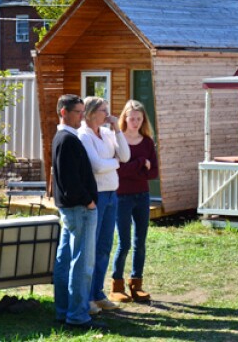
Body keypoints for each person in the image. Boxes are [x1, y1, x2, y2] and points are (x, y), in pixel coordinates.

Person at [52, 94, 105, 331]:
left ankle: (65, 311)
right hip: (79, 209)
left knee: (66, 261)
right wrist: (89, 202)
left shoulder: (64, 138)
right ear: (64, 112)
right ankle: (77, 314)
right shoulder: (67, 139)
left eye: (84, 112)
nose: (82, 117)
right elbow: (70, 180)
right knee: (82, 263)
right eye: (78, 112)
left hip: (71, 209)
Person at [78, 96, 130, 314]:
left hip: (112, 194)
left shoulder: (108, 133)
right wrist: (114, 163)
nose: (107, 114)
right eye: (103, 110)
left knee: (104, 246)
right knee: (91, 245)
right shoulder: (84, 135)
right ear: (90, 112)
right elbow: (96, 166)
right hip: (96, 195)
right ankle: (87, 296)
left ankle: (98, 292)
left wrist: (117, 129)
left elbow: (125, 156)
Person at [109, 100, 159, 303]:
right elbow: (118, 171)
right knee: (124, 242)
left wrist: (134, 169)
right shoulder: (117, 140)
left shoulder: (147, 142)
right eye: (132, 119)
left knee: (140, 242)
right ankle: (117, 284)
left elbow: (153, 172)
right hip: (121, 197)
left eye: (139, 119)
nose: (136, 122)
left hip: (142, 196)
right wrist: (140, 164)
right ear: (125, 119)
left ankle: (136, 284)